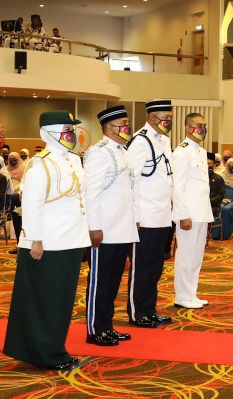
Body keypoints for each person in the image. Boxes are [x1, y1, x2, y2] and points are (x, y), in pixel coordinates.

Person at [3, 110, 90, 371]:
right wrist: (35, 239)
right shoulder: (40, 164)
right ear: (49, 133)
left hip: (71, 239)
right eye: (66, 130)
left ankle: (52, 349)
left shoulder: (73, 159)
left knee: (61, 300)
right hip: (47, 243)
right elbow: (32, 204)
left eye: (72, 130)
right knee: (46, 300)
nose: (71, 135)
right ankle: (48, 354)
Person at [83, 106, 139, 346]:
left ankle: (107, 326)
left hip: (122, 228)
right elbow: (91, 193)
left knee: (113, 281)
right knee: (100, 281)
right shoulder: (99, 153)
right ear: (110, 127)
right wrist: (94, 226)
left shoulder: (123, 151)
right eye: (123, 123)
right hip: (104, 229)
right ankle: (95, 329)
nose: (128, 127)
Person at [127, 100, 174, 328]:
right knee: (142, 268)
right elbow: (132, 180)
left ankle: (150, 309)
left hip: (162, 215)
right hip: (144, 216)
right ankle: (138, 313)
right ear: (152, 118)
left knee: (155, 268)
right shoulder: (140, 141)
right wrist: (135, 216)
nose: (169, 122)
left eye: (170, 117)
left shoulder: (163, 140)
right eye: (165, 118)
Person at [172, 113, 214, 309]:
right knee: (186, 256)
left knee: (196, 257)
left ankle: (191, 294)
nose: (203, 129)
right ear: (188, 128)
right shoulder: (182, 151)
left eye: (204, 125)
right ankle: (181, 296)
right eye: (199, 125)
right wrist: (183, 214)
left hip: (201, 211)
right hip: (188, 213)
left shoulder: (201, 151)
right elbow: (177, 185)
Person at [218, 158, 233, 240]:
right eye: (229, 166)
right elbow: (218, 191)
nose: (231, 168)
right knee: (220, 207)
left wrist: (231, 200)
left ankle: (226, 233)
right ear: (226, 166)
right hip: (222, 199)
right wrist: (222, 199)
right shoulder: (221, 176)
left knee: (227, 209)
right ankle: (217, 234)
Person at [7, 152, 25, 255]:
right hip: (20, 196)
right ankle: (19, 244)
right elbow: (23, 183)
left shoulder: (24, 168)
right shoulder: (6, 169)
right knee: (14, 199)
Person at [208, 152, 225, 217]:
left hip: (213, 206)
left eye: (209, 164)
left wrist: (209, 201)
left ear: (214, 166)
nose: (207, 166)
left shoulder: (218, 178)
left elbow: (221, 195)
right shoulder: (199, 178)